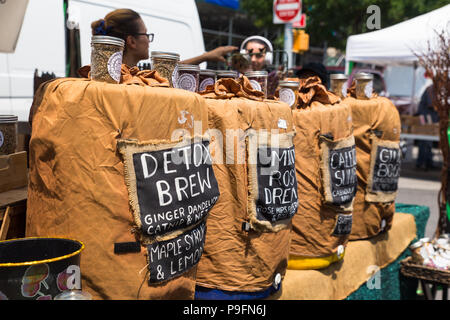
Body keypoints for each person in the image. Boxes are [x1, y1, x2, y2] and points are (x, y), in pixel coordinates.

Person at [91, 8, 237, 68]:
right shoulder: (126, 81)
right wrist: (207, 56)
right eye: (146, 35)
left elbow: (168, 70)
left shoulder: (106, 75)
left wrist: (207, 56)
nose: (148, 40)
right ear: (131, 41)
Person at [416, 77, 439, 170]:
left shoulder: (433, 89)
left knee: (428, 142)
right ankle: (422, 163)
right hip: (426, 119)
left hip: (430, 119)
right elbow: (431, 104)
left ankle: (427, 162)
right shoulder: (431, 90)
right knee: (424, 142)